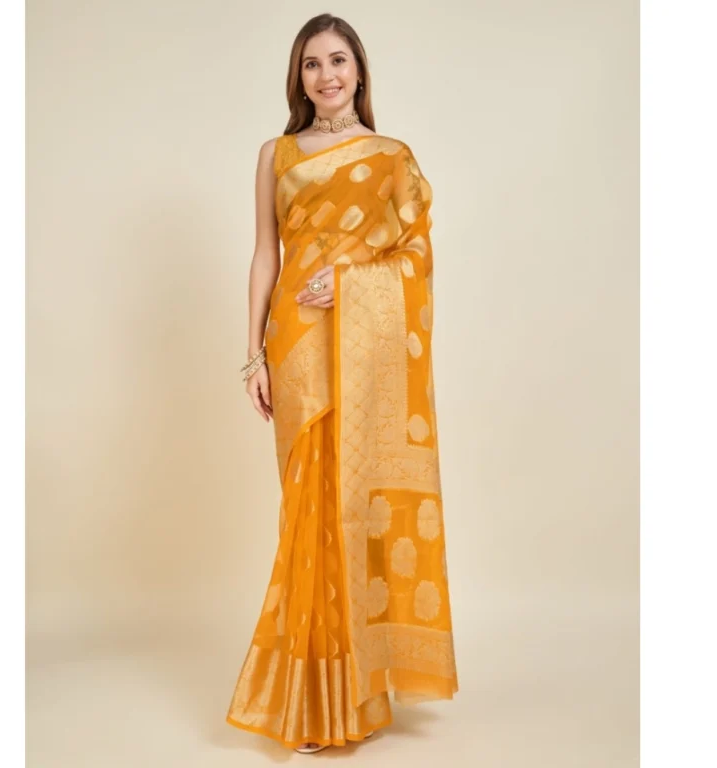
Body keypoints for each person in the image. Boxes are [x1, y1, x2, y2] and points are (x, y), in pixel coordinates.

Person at [226, 13, 458, 754]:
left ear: (359, 70)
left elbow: (416, 256)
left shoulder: (391, 158)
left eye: (337, 61)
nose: (325, 76)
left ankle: (356, 691)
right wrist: (253, 354)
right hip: (297, 344)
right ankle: (311, 698)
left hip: (361, 345)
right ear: (298, 79)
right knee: (307, 510)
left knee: (353, 506)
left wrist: (353, 279)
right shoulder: (276, 154)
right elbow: (266, 255)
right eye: (311, 64)